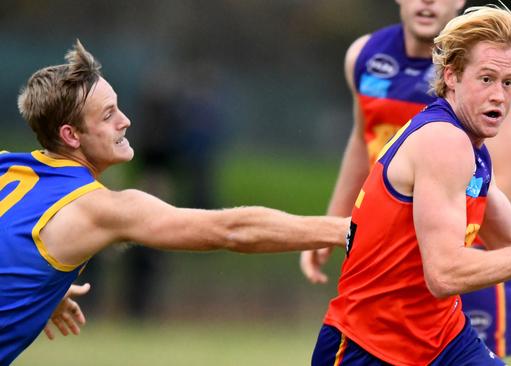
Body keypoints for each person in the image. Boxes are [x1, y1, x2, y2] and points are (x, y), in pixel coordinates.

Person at [310, 5, 511, 365]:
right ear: (451, 76)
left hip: (442, 339)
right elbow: (444, 273)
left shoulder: (473, 149)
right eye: (486, 79)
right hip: (369, 346)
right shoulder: (444, 142)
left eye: (508, 82)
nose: (499, 95)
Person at [0, 40, 349, 366]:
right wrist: (347, 229)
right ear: (71, 135)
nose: (126, 121)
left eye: (118, 107)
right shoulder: (98, 208)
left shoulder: (8, 167)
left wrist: (34, 284)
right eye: (108, 116)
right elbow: (232, 231)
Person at [300, 0, 511, 357]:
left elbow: (506, 188)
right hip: (396, 268)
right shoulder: (365, 57)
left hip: (467, 256)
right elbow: (363, 144)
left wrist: (446, 217)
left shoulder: (486, 81)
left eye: (508, 82)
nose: (428, 1)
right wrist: (337, 225)